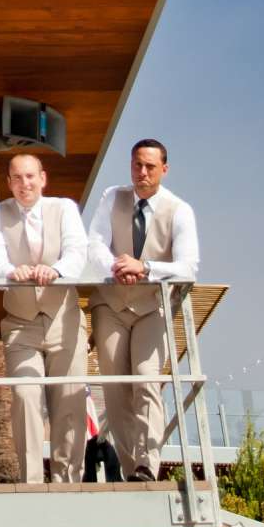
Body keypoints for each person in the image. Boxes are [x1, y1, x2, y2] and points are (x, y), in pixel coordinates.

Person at [86, 138, 201, 481]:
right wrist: (115, 267)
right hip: (111, 305)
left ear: (164, 169)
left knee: (147, 381)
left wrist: (146, 267)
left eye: (150, 166)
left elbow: (188, 266)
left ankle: (146, 465)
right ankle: (127, 463)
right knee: (117, 387)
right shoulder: (112, 197)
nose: (142, 172)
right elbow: (94, 243)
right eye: (137, 165)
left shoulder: (179, 210)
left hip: (152, 308)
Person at [0, 151, 89, 483]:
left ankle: (67, 482)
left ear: (43, 178)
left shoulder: (64, 208)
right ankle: (30, 482)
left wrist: (55, 270)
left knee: (69, 401)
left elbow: (77, 252)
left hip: (63, 318)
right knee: (26, 396)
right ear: (9, 182)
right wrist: (12, 272)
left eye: (30, 176)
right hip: (20, 321)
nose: (24, 184)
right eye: (16, 178)